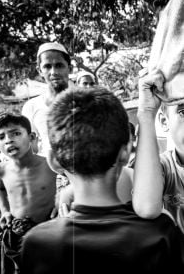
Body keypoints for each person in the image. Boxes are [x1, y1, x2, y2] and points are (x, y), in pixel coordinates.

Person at [21, 87, 182, 274]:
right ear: (124, 154)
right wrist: (146, 114)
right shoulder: (160, 233)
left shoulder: (38, 243)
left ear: (54, 160)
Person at [0, 113, 57, 274]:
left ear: (31, 137)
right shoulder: (1, 169)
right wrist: (5, 211)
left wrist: (60, 202)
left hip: (47, 230)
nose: (9, 140)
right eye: (1, 137)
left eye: (16, 133)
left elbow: (71, 182)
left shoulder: (49, 165)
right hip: (16, 231)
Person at [132, 70, 184, 235]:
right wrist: (146, 113)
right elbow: (146, 207)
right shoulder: (163, 167)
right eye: (183, 112)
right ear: (164, 121)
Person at [22, 42, 72, 156]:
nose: (54, 72)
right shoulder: (31, 107)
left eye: (59, 65)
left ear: (69, 68)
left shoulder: (86, 102)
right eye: (47, 66)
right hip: (46, 170)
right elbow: (30, 147)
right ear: (39, 70)